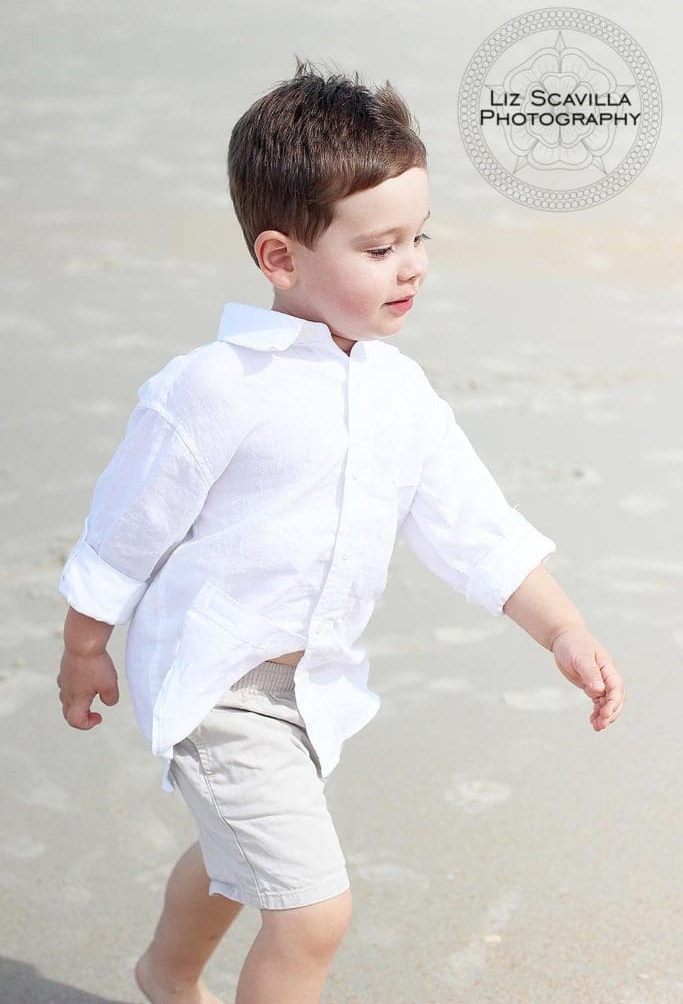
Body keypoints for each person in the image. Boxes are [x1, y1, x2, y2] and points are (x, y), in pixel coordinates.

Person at [56, 57, 626, 1004]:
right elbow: (126, 530)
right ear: (281, 258)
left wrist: (562, 626)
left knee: (243, 857)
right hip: (217, 683)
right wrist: (85, 647)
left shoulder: (399, 391)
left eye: (419, 237)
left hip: (311, 684)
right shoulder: (216, 386)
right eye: (378, 248)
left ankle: (166, 972)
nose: (413, 264)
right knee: (313, 913)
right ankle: (175, 973)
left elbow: (473, 525)